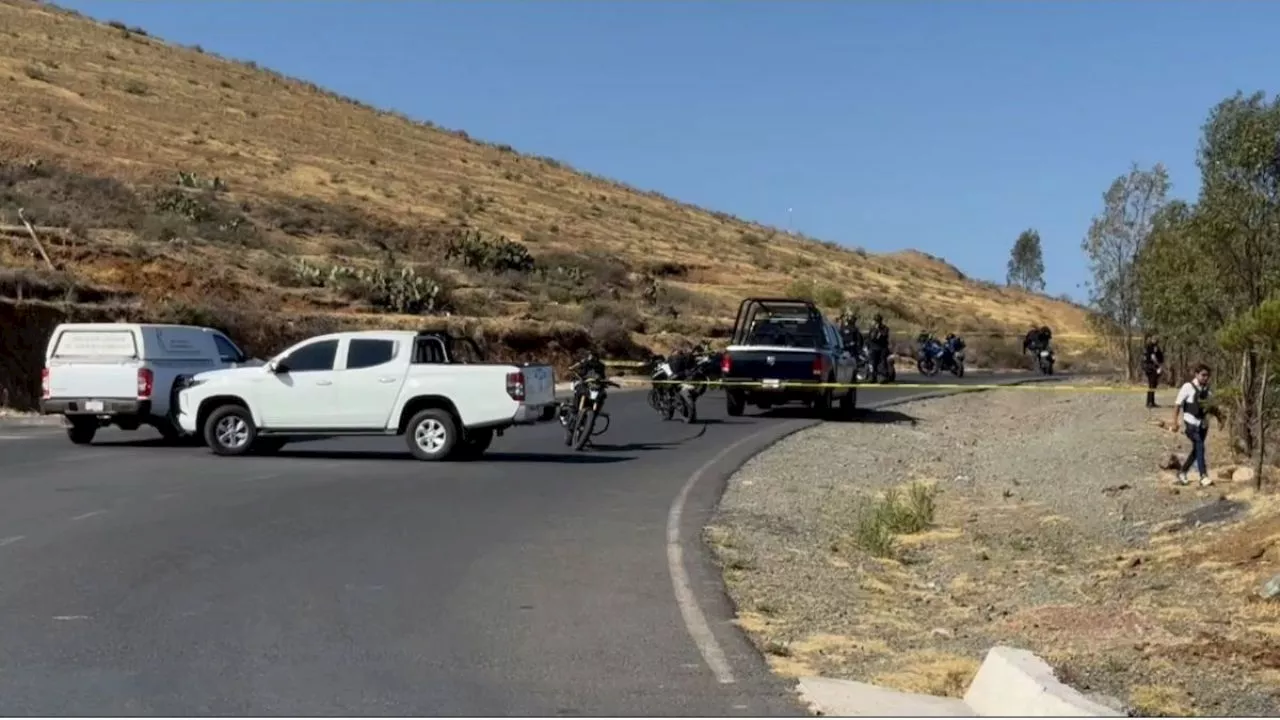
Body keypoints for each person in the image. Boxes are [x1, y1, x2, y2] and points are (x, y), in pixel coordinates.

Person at [1173, 363, 1215, 487]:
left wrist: (1220, 418)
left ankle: (1182, 472)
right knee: (1200, 446)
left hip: (1203, 424)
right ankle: (1203, 476)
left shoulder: (1208, 390)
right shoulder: (1188, 387)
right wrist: (1175, 422)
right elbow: (1177, 404)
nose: (1205, 377)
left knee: (1197, 449)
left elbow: (1212, 407)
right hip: (1191, 423)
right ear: (1196, 374)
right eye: (1203, 375)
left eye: (1207, 375)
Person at [1142, 334, 1165, 409]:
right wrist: (1159, 366)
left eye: (1157, 338)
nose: (1156, 339)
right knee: (1151, 385)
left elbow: (1159, 356)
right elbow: (1153, 358)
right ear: (1151, 339)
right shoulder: (1150, 347)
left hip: (1153, 368)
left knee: (1154, 385)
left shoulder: (1155, 346)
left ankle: (1152, 402)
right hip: (1151, 368)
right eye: (1154, 338)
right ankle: (1149, 403)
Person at [867, 314, 891, 383]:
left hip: (882, 348)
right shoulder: (872, 328)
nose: (875, 322)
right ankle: (872, 377)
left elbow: (884, 336)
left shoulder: (885, 328)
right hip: (873, 348)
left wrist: (878, 329)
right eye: (875, 321)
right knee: (872, 363)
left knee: (882, 363)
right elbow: (870, 338)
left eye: (877, 321)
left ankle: (883, 377)